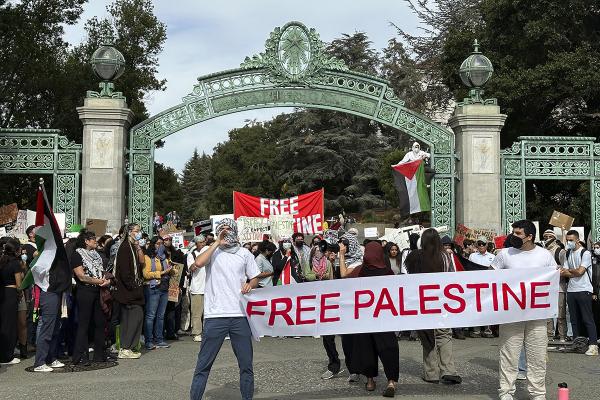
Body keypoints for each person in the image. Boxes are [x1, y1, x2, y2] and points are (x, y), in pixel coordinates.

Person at [190, 218, 260, 400]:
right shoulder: (211, 251)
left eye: (229, 229)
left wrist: (249, 284)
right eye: (222, 229)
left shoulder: (244, 253)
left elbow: (255, 277)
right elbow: (198, 263)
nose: (226, 232)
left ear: (235, 231)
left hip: (240, 316)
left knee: (246, 365)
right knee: (203, 364)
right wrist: (216, 243)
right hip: (216, 315)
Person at [491, 219, 557, 400]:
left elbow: (553, 277)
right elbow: (489, 279)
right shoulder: (504, 254)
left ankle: (537, 393)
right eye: (513, 232)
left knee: (537, 355)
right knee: (509, 354)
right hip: (511, 314)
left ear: (529, 237)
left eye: (518, 233)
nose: (513, 236)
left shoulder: (544, 255)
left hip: (537, 315)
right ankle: (506, 392)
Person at [339, 241, 399, 397]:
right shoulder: (387, 272)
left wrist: (342, 254)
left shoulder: (360, 271)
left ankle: (370, 381)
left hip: (364, 319)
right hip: (384, 318)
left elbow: (344, 277)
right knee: (389, 348)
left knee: (366, 349)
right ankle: (391, 381)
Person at [404, 229, 462, 386]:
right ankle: (449, 370)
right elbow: (453, 277)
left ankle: (431, 373)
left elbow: (408, 278)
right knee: (444, 335)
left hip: (423, 302)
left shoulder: (414, 257)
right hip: (443, 301)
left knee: (427, 336)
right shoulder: (447, 256)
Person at [70, 230, 110, 365]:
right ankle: (81, 356)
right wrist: (99, 281)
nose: (95, 241)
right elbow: (81, 276)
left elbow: (102, 271)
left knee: (99, 323)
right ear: (86, 241)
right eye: (93, 239)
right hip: (85, 291)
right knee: (84, 324)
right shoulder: (77, 254)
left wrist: (106, 280)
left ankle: (100, 354)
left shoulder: (97, 255)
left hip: (98, 291)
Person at [560, 229, 598, 355]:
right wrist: (572, 271)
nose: (569, 242)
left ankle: (593, 345)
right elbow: (564, 271)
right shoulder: (567, 253)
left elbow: (581, 271)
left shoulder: (585, 253)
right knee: (574, 319)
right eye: (567, 240)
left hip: (584, 289)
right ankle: (578, 344)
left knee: (587, 318)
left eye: (571, 240)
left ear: (577, 239)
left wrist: (570, 271)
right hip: (571, 290)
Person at [114, 223, 145, 360]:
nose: (138, 233)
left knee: (131, 319)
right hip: (129, 291)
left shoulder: (132, 247)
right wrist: (134, 287)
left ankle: (127, 347)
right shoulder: (125, 247)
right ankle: (126, 347)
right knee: (134, 317)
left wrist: (138, 247)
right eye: (136, 231)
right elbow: (126, 272)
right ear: (130, 232)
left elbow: (142, 262)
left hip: (132, 290)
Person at [143, 236, 174, 350]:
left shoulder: (165, 257)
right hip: (153, 287)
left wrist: (172, 270)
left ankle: (159, 339)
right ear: (152, 244)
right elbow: (146, 274)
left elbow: (172, 270)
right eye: (157, 243)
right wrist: (161, 272)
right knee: (151, 315)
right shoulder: (147, 257)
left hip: (164, 288)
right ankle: (149, 340)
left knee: (161, 316)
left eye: (161, 243)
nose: (160, 245)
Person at [0, 238, 24, 365]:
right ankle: (7, 356)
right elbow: (19, 284)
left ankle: (4, 353)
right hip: (11, 293)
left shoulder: (2, 261)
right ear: (16, 250)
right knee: (10, 325)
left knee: (4, 324)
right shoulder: (15, 263)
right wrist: (20, 293)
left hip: (3, 292)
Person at [468, 237, 495, 339]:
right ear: (476, 245)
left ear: (487, 245)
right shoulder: (472, 256)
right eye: (479, 244)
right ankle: (476, 330)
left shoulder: (492, 257)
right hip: (475, 286)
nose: (481, 246)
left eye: (483, 244)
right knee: (476, 308)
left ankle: (487, 330)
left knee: (488, 308)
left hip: (488, 286)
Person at [187, 235, 208, 342]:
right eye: (201, 242)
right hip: (197, 288)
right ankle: (197, 332)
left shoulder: (210, 252)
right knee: (197, 312)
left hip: (209, 288)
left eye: (204, 242)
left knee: (208, 313)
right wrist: (199, 260)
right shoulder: (192, 254)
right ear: (196, 244)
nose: (203, 244)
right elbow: (191, 268)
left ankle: (208, 332)